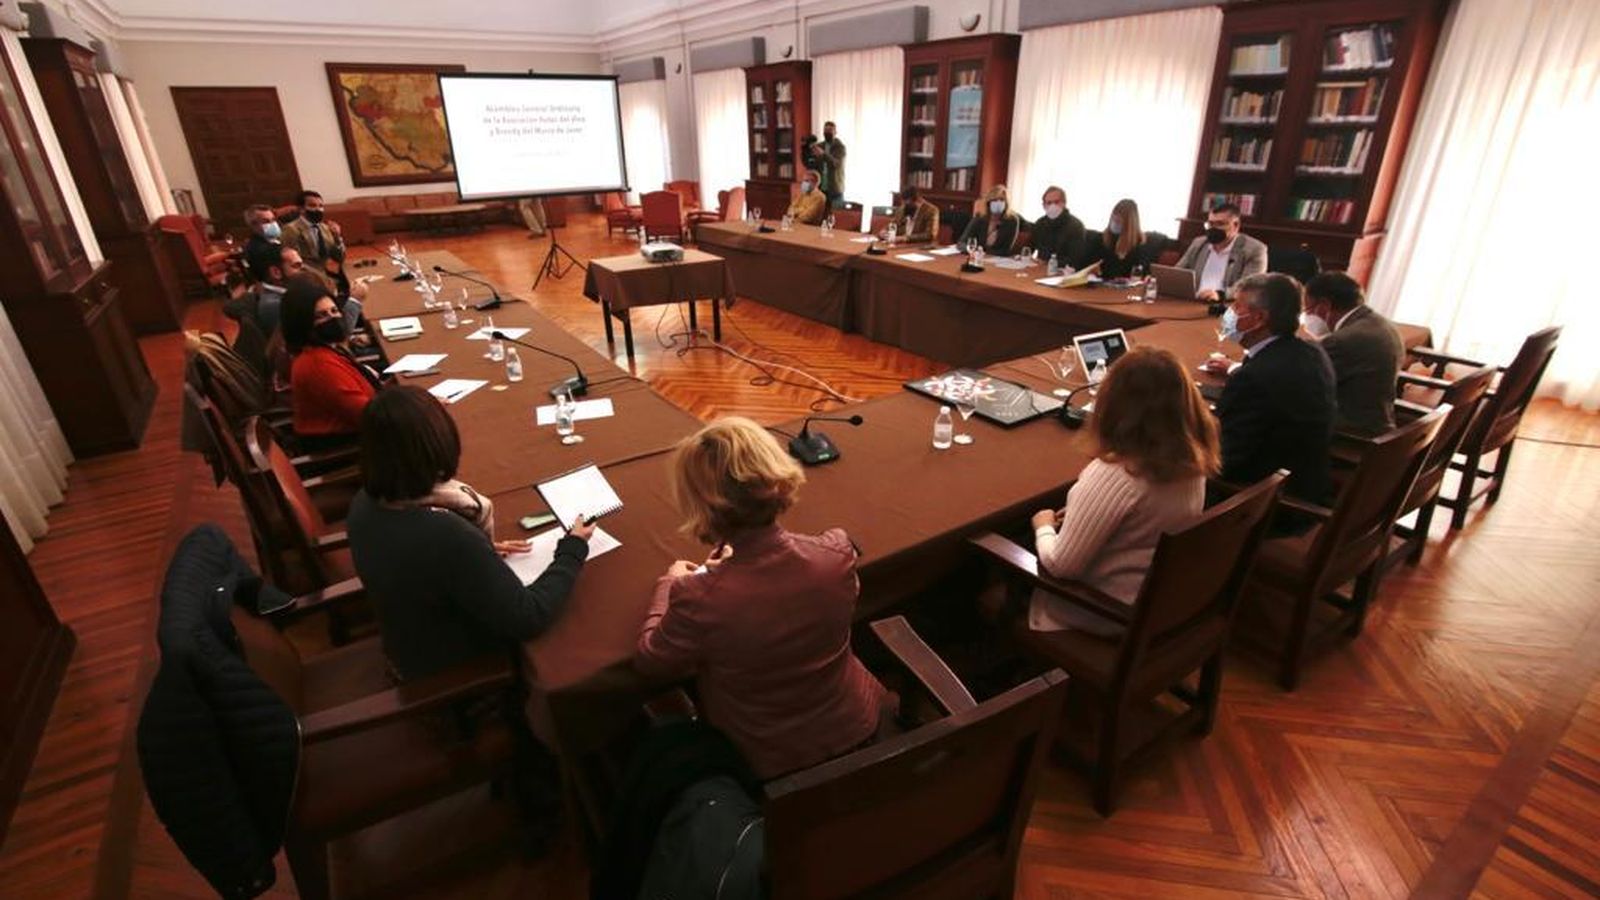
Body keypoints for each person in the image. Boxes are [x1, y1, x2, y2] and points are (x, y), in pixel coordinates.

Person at [635, 417, 891, 779]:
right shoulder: (836, 552)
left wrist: (669, 584)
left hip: (768, 761)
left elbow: (651, 661)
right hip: (856, 724)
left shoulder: (696, 597)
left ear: (701, 505)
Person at [347, 386, 594, 681]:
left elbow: (428, 565)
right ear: (439, 444)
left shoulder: (366, 500)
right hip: (448, 667)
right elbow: (529, 617)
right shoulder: (445, 534)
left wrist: (482, 552)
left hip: (409, 639)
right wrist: (573, 548)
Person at [1025, 346, 1219, 633]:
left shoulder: (1116, 474)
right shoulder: (1191, 459)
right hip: (1156, 603)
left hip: (1101, 612)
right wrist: (1085, 515)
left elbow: (1061, 566)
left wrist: (1042, 525)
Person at [1215, 273, 1336, 519]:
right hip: (1308, 484)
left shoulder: (1255, 378)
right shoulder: (1312, 352)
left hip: (1271, 506)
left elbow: (1224, 461)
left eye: (1237, 306)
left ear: (1259, 319)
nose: (1229, 312)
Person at [279, 274, 379, 450]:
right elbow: (370, 416)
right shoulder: (318, 364)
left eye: (334, 311)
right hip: (349, 447)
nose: (333, 318)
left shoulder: (323, 349)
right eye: (321, 316)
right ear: (303, 323)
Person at [1304, 272, 1405, 435]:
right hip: (1379, 421)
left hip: (1351, 432)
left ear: (1324, 305)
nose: (1307, 317)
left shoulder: (1341, 340)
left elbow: (1301, 383)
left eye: (1308, 310)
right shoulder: (1382, 324)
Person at [1176, 202, 1267, 301]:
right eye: (1211, 224)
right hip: (1193, 301)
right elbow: (1177, 273)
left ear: (1236, 225)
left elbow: (1250, 288)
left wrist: (1220, 295)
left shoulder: (1255, 249)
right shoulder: (1199, 243)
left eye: (1220, 224)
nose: (1213, 228)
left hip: (1227, 306)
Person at [1084, 198, 1166, 279]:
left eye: (1118, 221)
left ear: (1130, 223)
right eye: (1113, 217)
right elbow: (1087, 266)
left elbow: (1140, 274)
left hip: (1125, 289)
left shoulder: (1140, 245)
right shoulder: (1102, 239)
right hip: (1099, 287)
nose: (1115, 222)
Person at [278, 189, 345, 278]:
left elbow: (339, 258)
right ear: (301, 209)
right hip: (304, 276)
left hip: (324, 273)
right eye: (312, 206)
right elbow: (291, 261)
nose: (318, 210)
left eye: (321, 206)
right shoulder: (290, 230)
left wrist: (337, 238)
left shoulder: (325, 228)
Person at [1026, 185, 1088, 267]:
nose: (1052, 206)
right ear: (1043, 205)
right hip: (1039, 270)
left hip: (1062, 273)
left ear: (1064, 203)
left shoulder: (1076, 226)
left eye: (1056, 202)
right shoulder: (1040, 223)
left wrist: (1048, 263)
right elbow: (1029, 248)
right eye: (1049, 203)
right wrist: (1025, 257)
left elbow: (1075, 260)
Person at [958, 184, 1022, 256]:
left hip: (997, 261)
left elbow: (1006, 250)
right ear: (988, 203)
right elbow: (961, 243)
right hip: (976, 258)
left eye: (1001, 200)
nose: (998, 203)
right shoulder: (980, 217)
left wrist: (984, 253)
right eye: (995, 200)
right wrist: (973, 251)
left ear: (1006, 204)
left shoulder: (1012, 220)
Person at [809, 121, 846, 207]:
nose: (827, 132)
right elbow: (813, 166)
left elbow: (835, 164)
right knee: (820, 216)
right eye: (825, 130)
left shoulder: (840, 147)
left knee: (836, 217)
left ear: (835, 132)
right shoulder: (819, 146)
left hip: (835, 189)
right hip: (821, 188)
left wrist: (823, 154)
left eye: (830, 130)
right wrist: (811, 155)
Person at [241, 203, 282, 277]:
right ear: (253, 225)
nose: (272, 224)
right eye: (266, 221)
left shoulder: (273, 242)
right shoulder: (259, 249)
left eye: (273, 220)